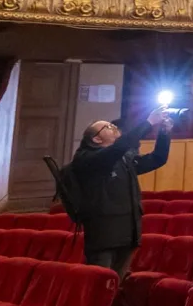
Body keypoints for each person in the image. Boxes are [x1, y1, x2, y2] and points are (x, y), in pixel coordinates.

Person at [72, 107, 173, 278]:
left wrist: (164, 132)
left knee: (116, 285)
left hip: (128, 233)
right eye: (107, 127)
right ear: (96, 139)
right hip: (104, 236)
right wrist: (149, 123)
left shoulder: (123, 158)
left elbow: (157, 159)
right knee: (99, 283)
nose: (113, 127)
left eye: (112, 125)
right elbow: (116, 149)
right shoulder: (87, 158)